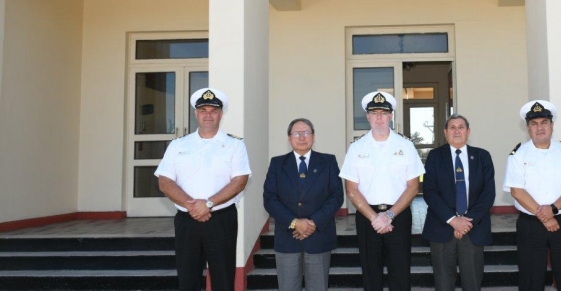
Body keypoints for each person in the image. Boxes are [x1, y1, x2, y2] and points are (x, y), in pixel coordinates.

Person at [155, 88, 251, 291]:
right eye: (203, 110)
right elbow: (165, 181)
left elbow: (239, 180)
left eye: (213, 110)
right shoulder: (178, 145)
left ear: (221, 114)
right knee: (188, 279)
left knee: (223, 278)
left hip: (221, 219)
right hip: (186, 219)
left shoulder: (235, 145)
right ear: (196, 114)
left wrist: (207, 204)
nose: (208, 114)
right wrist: (193, 206)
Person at [339, 91, 423, 291]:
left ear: (391, 116)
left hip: (399, 215)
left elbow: (413, 186)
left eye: (383, 113)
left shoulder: (406, 145)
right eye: (374, 112)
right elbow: (351, 190)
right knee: (370, 273)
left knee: (401, 272)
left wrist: (390, 215)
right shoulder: (356, 148)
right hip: (368, 218)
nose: (379, 117)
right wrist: (375, 218)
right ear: (367, 116)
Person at [502, 100, 561, 291]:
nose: (539, 127)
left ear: (552, 125)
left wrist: (553, 210)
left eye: (544, 122)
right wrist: (545, 216)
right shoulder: (518, 154)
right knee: (531, 278)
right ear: (527, 128)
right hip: (531, 224)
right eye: (534, 124)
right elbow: (517, 190)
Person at [263, 118, 344, 291]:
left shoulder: (328, 161)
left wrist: (313, 222)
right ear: (289, 138)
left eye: (306, 132)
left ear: (313, 137)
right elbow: (270, 198)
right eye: (296, 133)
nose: (302, 137)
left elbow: (336, 196)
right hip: (287, 237)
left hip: (319, 236)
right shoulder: (277, 164)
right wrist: (294, 223)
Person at [422, 114, 495, 291]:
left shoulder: (482, 156)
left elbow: (488, 194)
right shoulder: (434, 156)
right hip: (442, 228)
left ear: (468, 131)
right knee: (443, 284)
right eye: (452, 127)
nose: (457, 131)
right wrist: (452, 220)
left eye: (461, 127)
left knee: (472, 283)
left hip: (473, 228)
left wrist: (466, 221)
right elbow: (429, 192)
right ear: (445, 132)